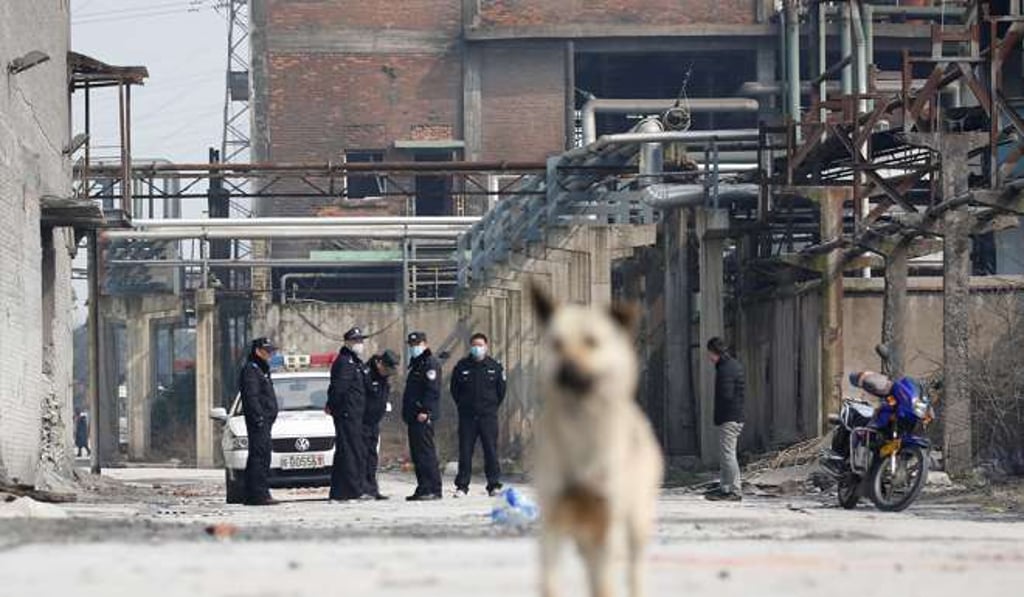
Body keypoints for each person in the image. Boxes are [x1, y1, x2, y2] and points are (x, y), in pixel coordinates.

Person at [450, 333, 506, 497]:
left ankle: (493, 485)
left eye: (480, 345)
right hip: (467, 417)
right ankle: (462, 486)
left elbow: (501, 391)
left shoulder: (494, 366)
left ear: (486, 346)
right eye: (474, 345)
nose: (477, 348)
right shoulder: (462, 366)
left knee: (490, 451)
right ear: (470, 347)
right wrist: (463, 406)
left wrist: (490, 407)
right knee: (465, 451)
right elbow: (455, 390)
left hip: (488, 417)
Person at [326, 326, 373, 502]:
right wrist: (335, 407)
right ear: (347, 342)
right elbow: (339, 389)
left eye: (361, 341)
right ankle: (353, 490)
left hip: (355, 414)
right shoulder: (345, 362)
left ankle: (339, 492)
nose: (360, 344)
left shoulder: (354, 361)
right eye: (356, 341)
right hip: (347, 414)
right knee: (351, 453)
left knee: (347, 453)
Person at [402, 331, 443, 501]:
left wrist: (425, 411)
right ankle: (423, 486)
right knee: (418, 454)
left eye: (416, 344)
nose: (413, 348)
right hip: (413, 416)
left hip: (422, 416)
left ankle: (433, 488)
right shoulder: (417, 364)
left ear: (425, 344)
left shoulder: (430, 363)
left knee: (426, 453)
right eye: (411, 345)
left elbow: (432, 390)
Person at [240, 337, 280, 506]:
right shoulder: (251, 369)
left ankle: (253, 493)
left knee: (261, 456)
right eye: (267, 351)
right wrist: (259, 418)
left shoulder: (262, 369)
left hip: (265, 421)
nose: (269, 354)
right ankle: (259, 494)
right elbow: (251, 397)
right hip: (259, 422)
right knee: (260, 457)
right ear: (258, 351)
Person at [705, 337, 746, 502]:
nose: (708, 357)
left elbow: (726, 395)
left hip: (730, 418)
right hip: (733, 417)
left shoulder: (726, 369)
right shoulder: (730, 365)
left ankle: (735, 490)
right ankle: (725, 488)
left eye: (709, 353)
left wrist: (720, 417)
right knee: (725, 454)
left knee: (728, 455)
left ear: (716, 352)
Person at [363, 349, 399, 500]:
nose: (388, 373)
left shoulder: (384, 378)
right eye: (387, 370)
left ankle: (372, 489)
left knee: (372, 457)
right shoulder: (366, 374)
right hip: (362, 422)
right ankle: (362, 488)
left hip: (374, 423)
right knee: (362, 457)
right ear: (380, 364)